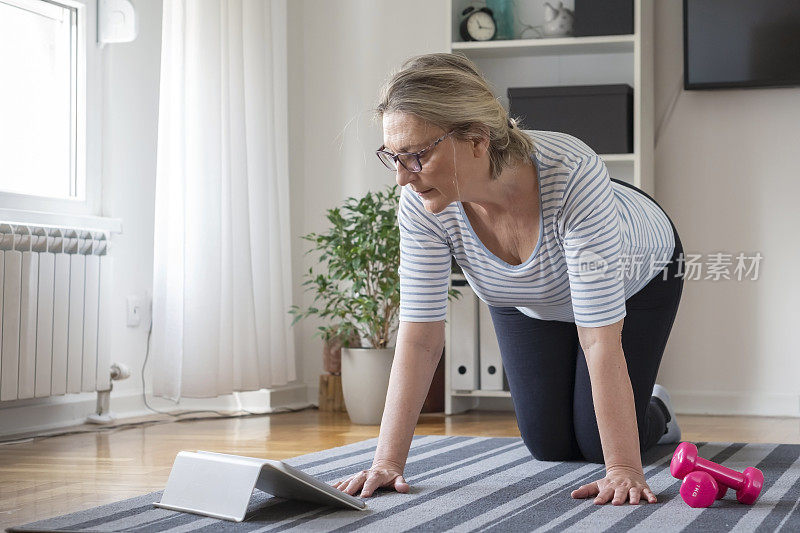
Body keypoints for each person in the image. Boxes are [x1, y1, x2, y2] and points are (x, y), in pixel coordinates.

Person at [333, 53, 684, 506]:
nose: (403, 178)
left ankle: (655, 410)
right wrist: (387, 463)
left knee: (600, 446)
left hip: (638, 273)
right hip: (524, 290)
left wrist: (623, 469)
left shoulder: (573, 172)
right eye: (394, 158)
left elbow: (598, 338)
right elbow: (420, 338)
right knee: (550, 445)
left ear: (477, 139)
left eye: (417, 156)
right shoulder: (423, 201)